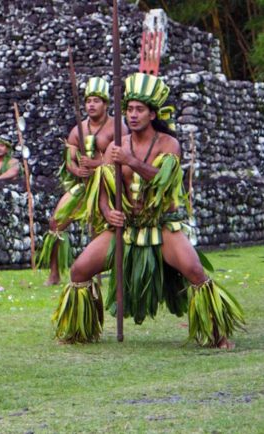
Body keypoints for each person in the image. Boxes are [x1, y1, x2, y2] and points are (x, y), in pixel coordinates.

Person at [51, 72, 244, 347]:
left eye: (139, 110)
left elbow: (166, 180)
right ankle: (79, 331)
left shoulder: (169, 144)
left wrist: (131, 160)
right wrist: (107, 212)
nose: (132, 115)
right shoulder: (117, 146)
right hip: (125, 226)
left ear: (152, 114)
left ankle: (216, 335)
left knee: (195, 272)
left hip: (161, 225)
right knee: (80, 270)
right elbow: (103, 188)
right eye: (129, 109)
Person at [37, 77, 121, 285]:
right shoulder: (78, 130)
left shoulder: (117, 128)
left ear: (106, 104)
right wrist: (78, 170)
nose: (91, 105)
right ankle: (54, 273)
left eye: (96, 101)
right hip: (83, 187)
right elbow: (69, 160)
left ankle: (100, 274)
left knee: (100, 228)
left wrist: (95, 164)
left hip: (107, 188)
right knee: (56, 222)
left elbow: (122, 157)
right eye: (88, 101)